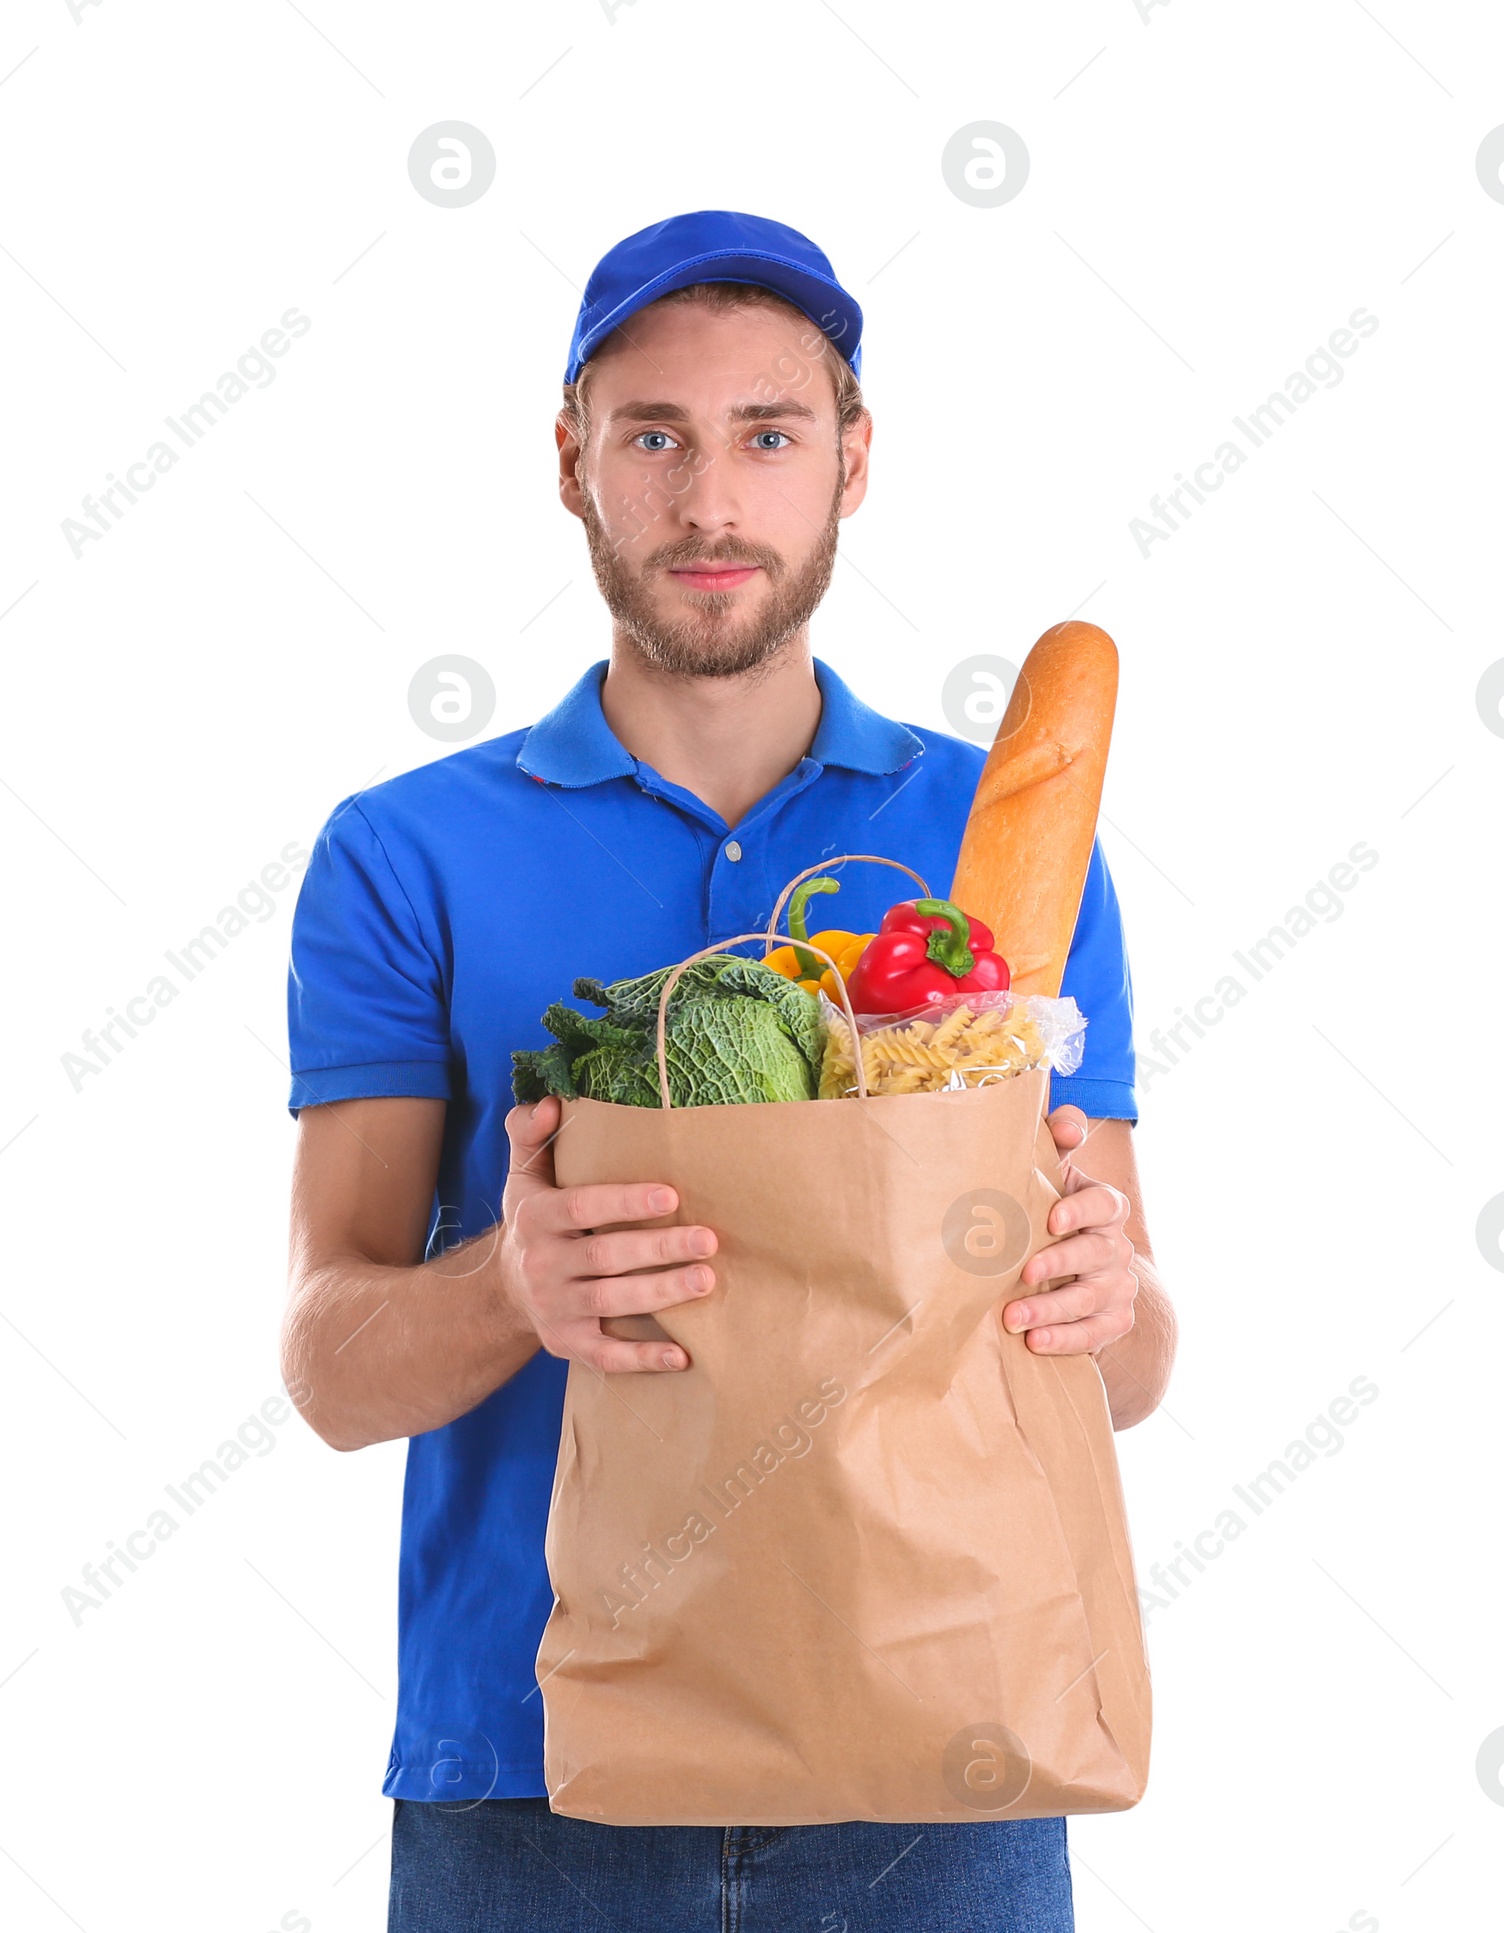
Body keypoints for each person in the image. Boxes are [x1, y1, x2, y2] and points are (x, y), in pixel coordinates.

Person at [282, 209, 1176, 1932]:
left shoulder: (998, 843)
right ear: (573, 462)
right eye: (656, 438)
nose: (711, 503)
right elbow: (330, 1365)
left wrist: (1108, 1294)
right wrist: (508, 1283)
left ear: (851, 463)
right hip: (530, 1764)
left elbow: (1126, 1361)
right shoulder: (407, 854)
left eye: (768, 435)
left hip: (948, 1745)